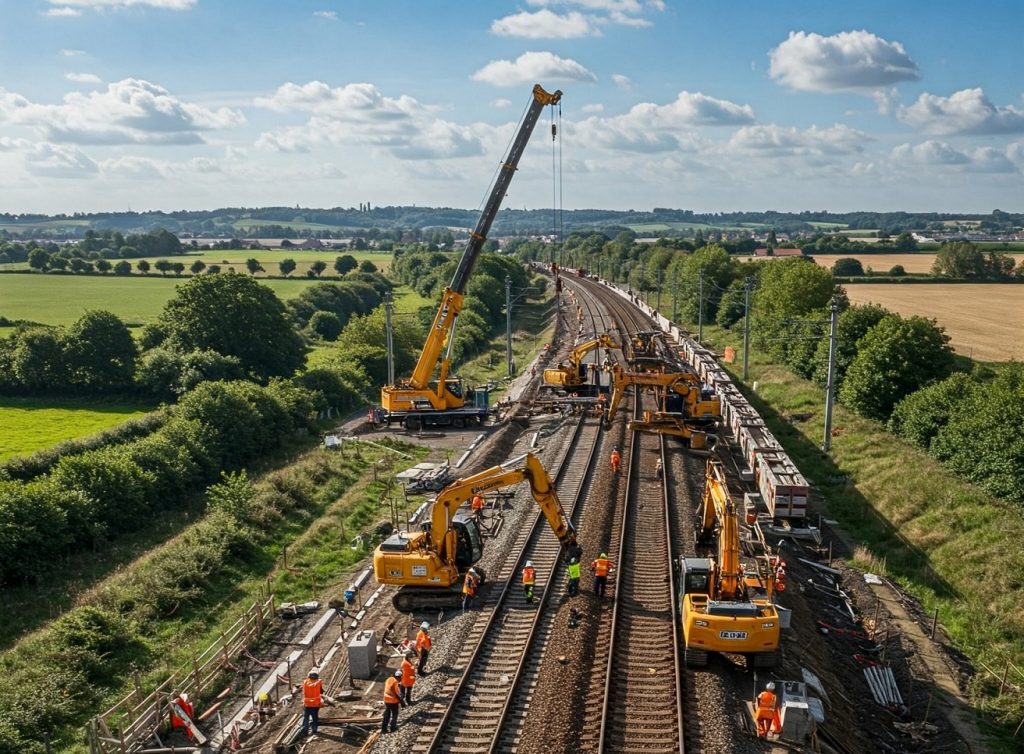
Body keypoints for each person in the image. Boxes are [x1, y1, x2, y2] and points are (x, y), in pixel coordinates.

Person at [300, 668, 326, 738]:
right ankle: (314, 730)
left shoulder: (305, 682)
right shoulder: (318, 682)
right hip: (315, 704)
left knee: (306, 718)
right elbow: (321, 692)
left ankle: (304, 731)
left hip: (307, 703)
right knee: (315, 718)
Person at [382, 669, 406, 734]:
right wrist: (401, 702)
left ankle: (383, 729)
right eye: (401, 677)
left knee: (387, 714)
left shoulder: (389, 679)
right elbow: (396, 694)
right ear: (399, 677)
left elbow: (389, 689)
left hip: (386, 700)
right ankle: (393, 728)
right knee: (395, 714)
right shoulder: (395, 682)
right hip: (393, 701)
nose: (401, 679)